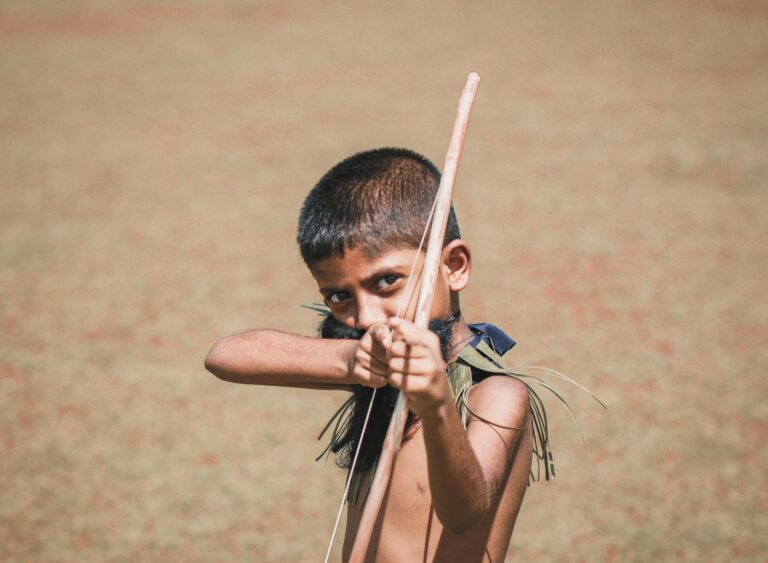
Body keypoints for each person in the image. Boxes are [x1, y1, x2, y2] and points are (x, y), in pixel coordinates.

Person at [205, 147, 550, 562]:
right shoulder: (374, 363)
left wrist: (438, 403)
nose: (366, 317)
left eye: (387, 281)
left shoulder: (495, 395)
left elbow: (464, 512)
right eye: (339, 296)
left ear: (454, 265)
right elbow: (225, 356)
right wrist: (351, 360)